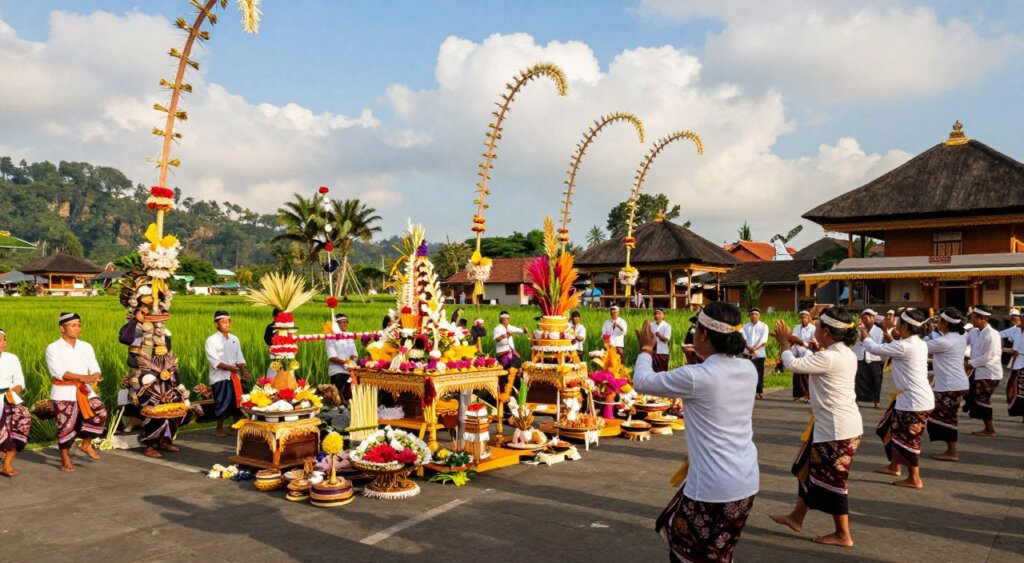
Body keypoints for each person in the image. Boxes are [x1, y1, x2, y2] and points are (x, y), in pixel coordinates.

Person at [633, 301, 758, 563]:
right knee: (720, 552)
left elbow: (642, 381)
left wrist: (646, 349)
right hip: (745, 481)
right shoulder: (748, 369)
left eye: (696, 329)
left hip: (712, 487)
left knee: (689, 553)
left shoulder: (697, 376)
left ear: (703, 335)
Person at [770, 307, 862, 548]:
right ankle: (796, 517)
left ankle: (843, 535)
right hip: (836, 426)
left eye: (819, 325)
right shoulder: (842, 353)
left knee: (834, 483)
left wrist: (783, 343)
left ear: (827, 331)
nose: (816, 328)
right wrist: (796, 341)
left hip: (836, 429)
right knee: (806, 470)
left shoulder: (830, 357)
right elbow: (816, 356)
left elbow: (792, 364)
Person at [860, 308, 933, 489]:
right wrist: (885, 332)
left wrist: (864, 333)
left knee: (909, 438)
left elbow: (875, 348)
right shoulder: (914, 343)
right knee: (886, 428)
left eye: (898, 323)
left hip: (914, 401)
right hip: (909, 398)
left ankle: (914, 478)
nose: (896, 325)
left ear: (906, 326)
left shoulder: (906, 345)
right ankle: (894, 466)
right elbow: (895, 348)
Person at [45, 312, 108, 472]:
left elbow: (94, 366)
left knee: (100, 413)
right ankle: (65, 458)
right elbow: (59, 372)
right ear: (62, 328)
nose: (77, 328)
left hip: (85, 390)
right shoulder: (53, 348)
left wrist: (95, 375)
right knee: (66, 426)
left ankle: (85, 445)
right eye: (73, 325)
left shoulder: (86, 346)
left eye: (79, 324)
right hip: (63, 392)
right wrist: (83, 377)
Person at [924, 308, 970, 461]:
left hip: (950, 385)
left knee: (945, 417)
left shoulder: (945, 341)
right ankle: (951, 450)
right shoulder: (959, 338)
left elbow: (920, 347)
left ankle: (952, 452)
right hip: (956, 382)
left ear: (945, 324)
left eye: (939, 322)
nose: (937, 324)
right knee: (947, 416)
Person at [205, 310, 249, 438]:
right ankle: (218, 429)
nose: (227, 324)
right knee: (222, 401)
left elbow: (239, 357)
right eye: (223, 322)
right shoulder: (211, 340)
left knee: (237, 402)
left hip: (234, 376)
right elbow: (214, 360)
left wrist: (244, 371)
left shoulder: (235, 339)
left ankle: (234, 426)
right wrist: (230, 368)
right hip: (220, 377)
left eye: (228, 321)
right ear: (216, 324)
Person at [964, 305, 1002, 436]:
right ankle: (988, 427)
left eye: (973, 318)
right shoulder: (974, 332)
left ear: (982, 319)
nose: (971, 320)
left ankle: (990, 429)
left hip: (990, 373)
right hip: (979, 371)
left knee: (983, 399)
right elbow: (962, 342)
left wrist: (970, 364)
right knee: (972, 395)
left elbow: (989, 356)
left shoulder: (992, 334)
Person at [0, 328, 31, 476]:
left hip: (10, 396)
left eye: (4, 339)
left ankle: (6, 463)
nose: (2, 343)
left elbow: (19, 382)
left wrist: (11, 395)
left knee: (23, 420)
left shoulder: (11, 358)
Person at [852, 309, 885, 409]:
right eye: (863, 318)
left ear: (872, 318)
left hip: (874, 358)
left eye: (867, 318)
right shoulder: (857, 329)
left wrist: (864, 332)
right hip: (860, 356)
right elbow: (855, 341)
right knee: (859, 380)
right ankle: (857, 399)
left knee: (876, 380)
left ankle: (876, 400)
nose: (865, 320)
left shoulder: (879, 330)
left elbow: (875, 343)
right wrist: (859, 330)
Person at [327, 313, 358, 401]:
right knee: (337, 395)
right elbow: (332, 357)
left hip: (349, 370)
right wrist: (345, 362)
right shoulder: (331, 336)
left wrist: (351, 359)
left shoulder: (350, 335)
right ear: (336, 324)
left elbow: (354, 354)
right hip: (337, 370)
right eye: (342, 322)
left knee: (348, 395)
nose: (345, 324)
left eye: (346, 322)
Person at [787, 310, 817, 401]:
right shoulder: (796, 328)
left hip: (808, 350)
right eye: (802, 317)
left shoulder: (813, 328)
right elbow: (793, 338)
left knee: (805, 373)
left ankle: (807, 394)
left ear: (809, 319)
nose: (803, 319)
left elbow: (814, 340)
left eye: (805, 317)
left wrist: (808, 345)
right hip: (797, 349)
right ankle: (797, 394)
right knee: (796, 371)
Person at [742, 308, 769, 400]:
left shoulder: (764, 326)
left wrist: (754, 349)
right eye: (752, 314)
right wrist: (748, 347)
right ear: (749, 316)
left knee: (758, 373)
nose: (754, 316)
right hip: (746, 352)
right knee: (747, 373)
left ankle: (759, 392)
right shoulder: (745, 326)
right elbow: (743, 338)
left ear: (759, 316)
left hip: (759, 354)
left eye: (756, 314)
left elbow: (763, 340)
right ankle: (748, 392)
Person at [651, 308, 672, 372]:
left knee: (662, 370)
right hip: (652, 351)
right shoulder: (650, 324)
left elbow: (666, 340)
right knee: (653, 370)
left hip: (662, 352)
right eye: (655, 314)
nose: (657, 315)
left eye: (659, 314)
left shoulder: (667, 325)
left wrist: (659, 335)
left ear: (663, 316)